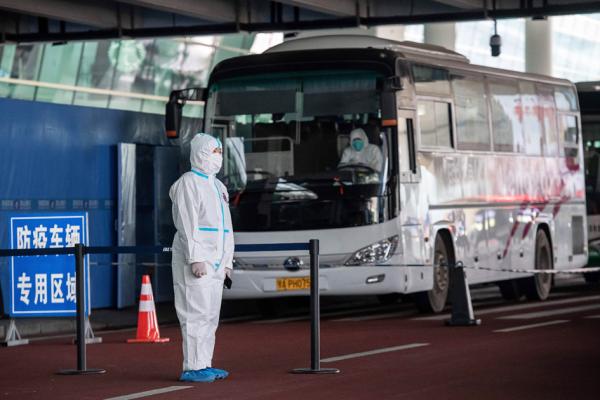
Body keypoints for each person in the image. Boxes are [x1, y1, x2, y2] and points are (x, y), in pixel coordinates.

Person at [170, 133, 234, 383]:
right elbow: (187, 224)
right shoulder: (189, 182)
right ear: (200, 152)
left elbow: (227, 227)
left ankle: (205, 363)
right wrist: (194, 257)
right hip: (197, 260)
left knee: (210, 315)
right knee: (194, 313)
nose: (218, 156)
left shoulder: (218, 186)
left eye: (219, 151)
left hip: (217, 260)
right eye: (214, 151)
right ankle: (192, 367)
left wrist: (227, 262)